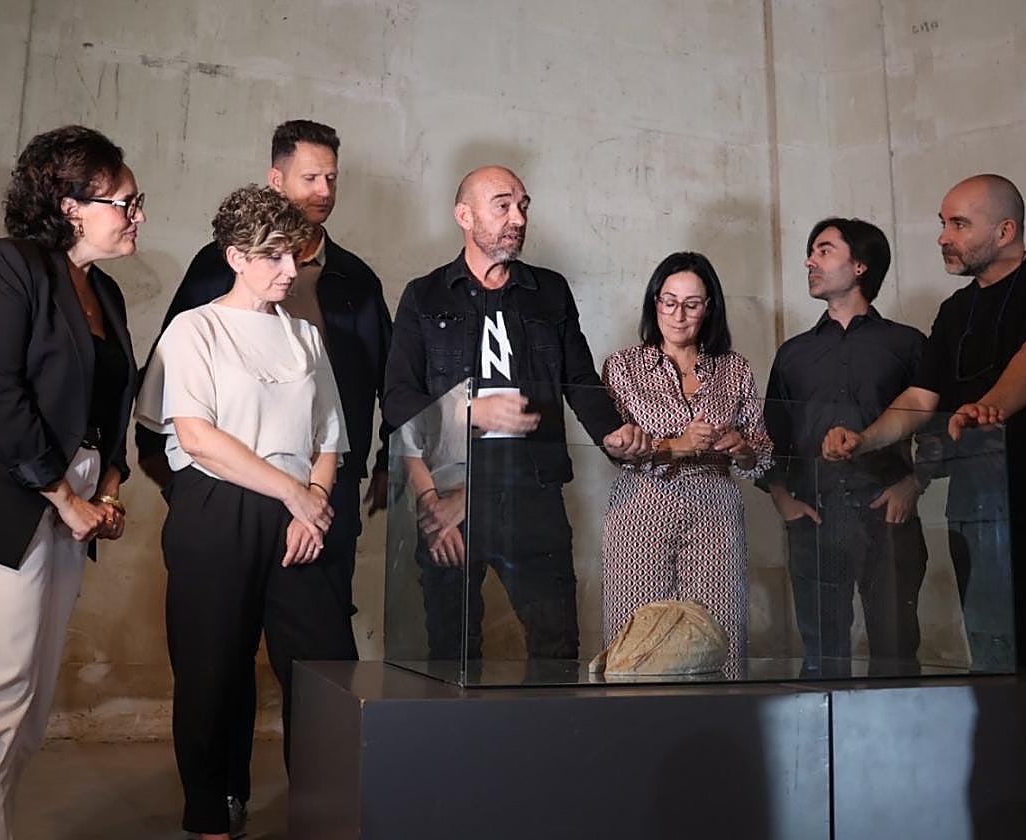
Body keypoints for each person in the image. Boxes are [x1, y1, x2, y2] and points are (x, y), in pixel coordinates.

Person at [135, 119, 390, 831]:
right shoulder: (196, 328)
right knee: (214, 672)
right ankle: (213, 813)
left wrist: (314, 497)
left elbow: (332, 432)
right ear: (236, 257)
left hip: (302, 510)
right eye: (275, 257)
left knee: (322, 668)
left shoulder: (306, 334)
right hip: (220, 507)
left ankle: (326, 806)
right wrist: (296, 497)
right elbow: (195, 436)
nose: (290, 270)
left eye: (293, 255)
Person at [0, 125, 141, 839]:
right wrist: (65, 497)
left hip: (73, 508)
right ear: (68, 205)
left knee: (30, 702)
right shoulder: (7, 265)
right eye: (124, 200)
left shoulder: (106, 292)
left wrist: (107, 489)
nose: (137, 214)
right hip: (0, 505)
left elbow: (111, 405)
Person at [823, 175, 1026, 673]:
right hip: (975, 507)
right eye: (942, 223)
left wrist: (987, 406)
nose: (942, 237)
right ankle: (1000, 747)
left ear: (1005, 231)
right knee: (989, 653)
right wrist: (864, 438)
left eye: (958, 224)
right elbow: (919, 397)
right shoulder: (955, 310)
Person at [383, 165, 650, 663]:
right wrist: (470, 410)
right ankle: (460, 742)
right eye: (502, 204)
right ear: (464, 215)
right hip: (452, 495)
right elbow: (398, 399)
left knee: (556, 646)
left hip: (533, 492)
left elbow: (580, 379)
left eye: (523, 205)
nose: (518, 217)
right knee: (452, 647)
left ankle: (545, 741)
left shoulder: (549, 291)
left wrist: (612, 432)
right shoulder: (425, 296)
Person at [762, 218, 928, 674]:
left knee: (896, 653)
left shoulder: (907, 344)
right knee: (821, 658)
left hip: (888, 515)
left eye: (823, 250)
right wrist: (782, 499)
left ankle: (897, 745)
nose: (809, 262)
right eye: (812, 252)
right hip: (815, 517)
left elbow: (938, 425)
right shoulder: (792, 353)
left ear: (859, 265)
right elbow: (770, 436)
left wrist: (913, 484)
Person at [600, 252, 772, 664]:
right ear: (654, 302)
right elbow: (615, 450)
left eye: (692, 304)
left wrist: (741, 446)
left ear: (709, 307)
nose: (679, 315)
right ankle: (636, 726)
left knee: (718, 632)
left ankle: (720, 725)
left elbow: (763, 455)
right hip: (641, 506)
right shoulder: (623, 366)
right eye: (669, 302)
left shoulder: (735, 368)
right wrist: (678, 444)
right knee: (638, 634)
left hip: (716, 510)